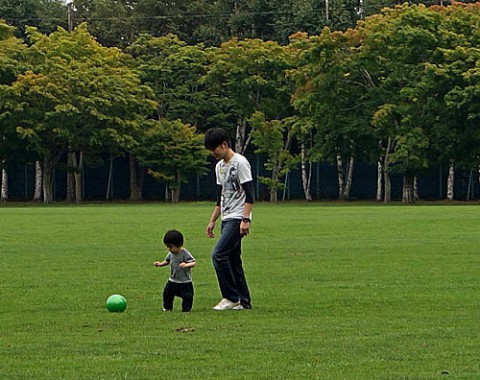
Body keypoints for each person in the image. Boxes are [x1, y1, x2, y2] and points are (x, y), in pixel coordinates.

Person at [204, 127, 254, 311]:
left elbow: (250, 195)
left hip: (238, 217)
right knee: (233, 260)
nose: (212, 153)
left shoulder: (240, 163)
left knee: (218, 255)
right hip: (226, 217)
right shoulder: (219, 167)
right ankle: (243, 302)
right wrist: (212, 221)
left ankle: (230, 297)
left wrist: (245, 220)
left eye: (214, 149)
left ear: (224, 144)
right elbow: (221, 197)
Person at [153, 229, 196, 312]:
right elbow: (167, 261)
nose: (169, 249)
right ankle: (167, 308)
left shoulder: (184, 253)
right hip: (173, 280)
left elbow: (193, 262)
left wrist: (186, 265)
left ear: (179, 245)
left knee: (187, 296)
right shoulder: (171, 253)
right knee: (167, 294)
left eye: (171, 247)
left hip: (185, 282)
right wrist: (160, 264)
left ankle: (186, 310)